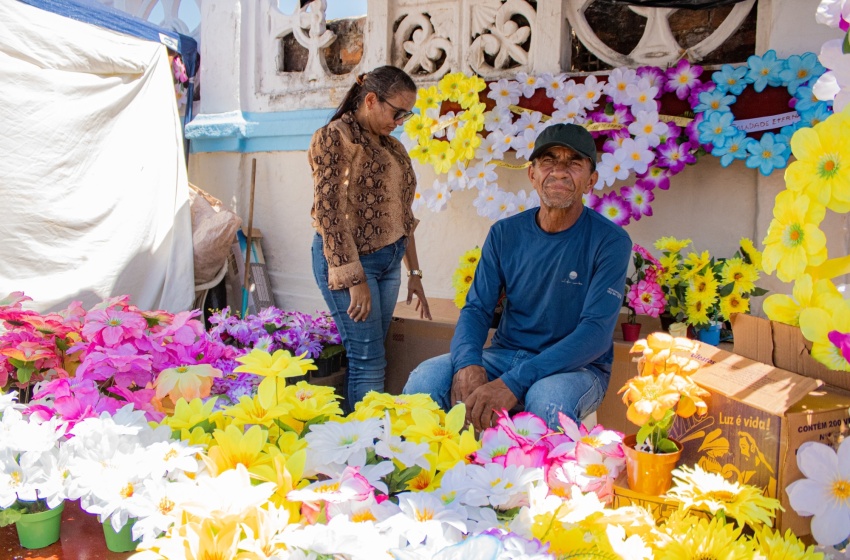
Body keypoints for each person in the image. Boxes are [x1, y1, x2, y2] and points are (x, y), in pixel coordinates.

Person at [403, 123, 631, 431]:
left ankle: (540, 481)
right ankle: (423, 475)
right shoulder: (505, 233)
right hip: (504, 355)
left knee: (548, 399)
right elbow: (476, 309)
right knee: (425, 380)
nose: (560, 172)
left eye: (574, 163)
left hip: (577, 368)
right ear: (533, 175)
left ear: (591, 181)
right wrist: (468, 362)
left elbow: (595, 334)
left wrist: (512, 382)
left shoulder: (610, 241)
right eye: (548, 161)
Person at [309, 65, 431, 412]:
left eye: (407, 114)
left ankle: (362, 442)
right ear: (372, 100)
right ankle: (363, 453)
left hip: (389, 263)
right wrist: (354, 278)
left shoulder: (392, 147)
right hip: (349, 262)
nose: (400, 121)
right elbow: (329, 212)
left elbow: (403, 216)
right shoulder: (335, 137)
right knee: (368, 359)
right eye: (397, 112)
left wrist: (415, 274)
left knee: (373, 354)